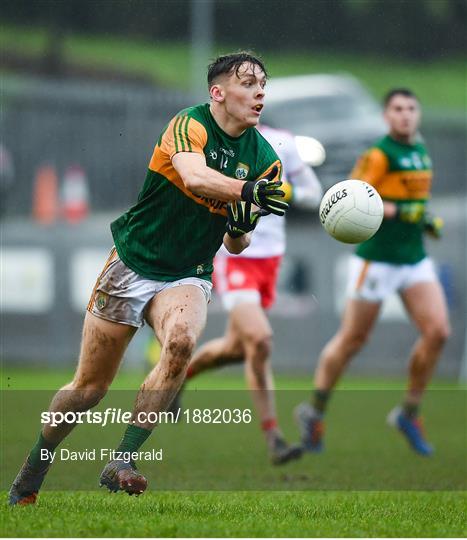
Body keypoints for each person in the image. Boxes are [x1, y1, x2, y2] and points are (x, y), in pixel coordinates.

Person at [9, 51, 289, 505]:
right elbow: (196, 178)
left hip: (188, 272)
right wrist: (245, 191)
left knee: (180, 342)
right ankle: (36, 464)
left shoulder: (264, 160)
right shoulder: (189, 124)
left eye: (263, 84)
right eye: (248, 83)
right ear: (218, 93)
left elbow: (236, 245)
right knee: (88, 390)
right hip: (133, 262)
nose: (260, 92)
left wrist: (241, 223)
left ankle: (122, 459)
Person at [295, 88, 450, 457]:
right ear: (386, 116)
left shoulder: (419, 150)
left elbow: (414, 201)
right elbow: (352, 196)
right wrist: (403, 212)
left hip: (413, 258)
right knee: (352, 340)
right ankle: (314, 412)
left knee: (438, 332)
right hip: (376, 259)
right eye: (398, 109)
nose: (406, 115)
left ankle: (408, 413)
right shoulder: (379, 154)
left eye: (412, 108)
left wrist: (423, 219)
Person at [180, 124, 322, 465]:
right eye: (245, 86)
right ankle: (273, 437)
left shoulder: (283, 142)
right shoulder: (216, 146)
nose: (253, 96)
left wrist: (282, 191)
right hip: (234, 256)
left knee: (234, 350)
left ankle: (174, 375)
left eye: (257, 86)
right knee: (259, 340)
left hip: (271, 262)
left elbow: (314, 193)